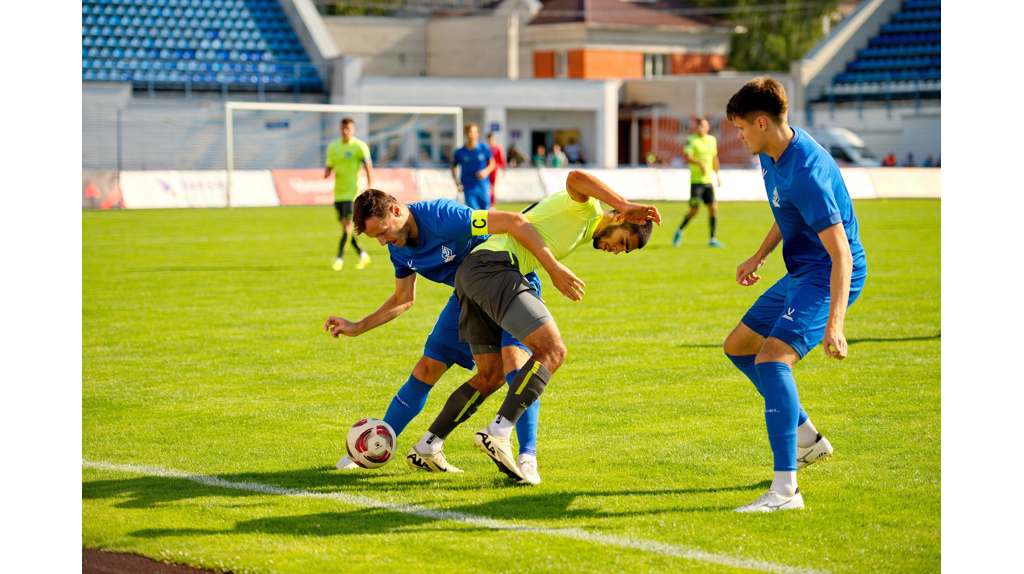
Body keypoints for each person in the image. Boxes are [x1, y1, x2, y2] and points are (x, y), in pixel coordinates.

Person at [406, 170, 661, 483]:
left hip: (473, 275)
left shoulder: (582, 230)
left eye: (624, 250)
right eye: (623, 242)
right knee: (552, 350)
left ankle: (427, 446)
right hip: (494, 268)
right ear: (620, 217)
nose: (618, 251)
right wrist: (622, 201)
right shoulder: (585, 209)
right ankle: (498, 432)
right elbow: (576, 176)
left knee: (491, 375)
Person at [326, 189, 584, 485]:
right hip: (467, 297)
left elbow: (513, 220)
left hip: (507, 282)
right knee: (426, 369)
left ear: (396, 211)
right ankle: (375, 446)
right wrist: (358, 326)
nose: (383, 242)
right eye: (376, 238)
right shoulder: (397, 247)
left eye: (383, 232)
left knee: (515, 366)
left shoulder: (442, 216)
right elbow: (403, 297)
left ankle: (528, 458)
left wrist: (552, 266)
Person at [721, 76, 867, 513]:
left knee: (771, 359)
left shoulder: (807, 172)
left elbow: (841, 254)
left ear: (762, 122)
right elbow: (787, 212)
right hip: (803, 270)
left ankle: (785, 491)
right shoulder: (771, 153)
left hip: (828, 273)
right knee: (739, 346)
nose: (740, 136)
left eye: (742, 128)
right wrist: (760, 255)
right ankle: (806, 438)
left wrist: (835, 325)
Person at [324, 117, 372, 271]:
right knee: (348, 229)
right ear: (340, 129)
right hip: (338, 193)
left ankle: (339, 259)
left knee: (347, 228)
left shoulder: (359, 146)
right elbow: (329, 166)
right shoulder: (333, 147)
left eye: (348, 129)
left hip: (353, 193)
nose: (345, 131)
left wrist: (370, 187)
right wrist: (327, 172)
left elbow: (368, 167)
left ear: (353, 130)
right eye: (343, 128)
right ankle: (363, 255)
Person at [673, 117, 726, 249]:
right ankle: (679, 230)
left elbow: (714, 157)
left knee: (713, 208)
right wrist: (700, 163)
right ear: (695, 128)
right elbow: (688, 157)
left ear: (708, 127)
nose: (701, 128)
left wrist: (717, 175)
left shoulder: (712, 140)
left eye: (703, 126)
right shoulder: (691, 140)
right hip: (696, 181)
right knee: (693, 211)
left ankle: (712, 239)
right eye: (699, 126)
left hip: (708, 180)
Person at [450, 123, 496, 211]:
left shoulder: (484, 148)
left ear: (478, 134)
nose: (471, 135)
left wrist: (485, 172)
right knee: (474, 212)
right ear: (465, 134)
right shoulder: (460, 152)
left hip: (482, 185)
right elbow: (453, 167)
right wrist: (457, 183)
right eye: (469, 132)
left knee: (487, 211)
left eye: (473, 132)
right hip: (468, 186)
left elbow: (492, 164)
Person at [486, 132, 507, 208]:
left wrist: (504, 169)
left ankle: (492, 204)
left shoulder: (497, 148)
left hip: (494, 170)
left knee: (493, 187)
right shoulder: (486, 148)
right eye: (489, 139)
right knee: (486, 187)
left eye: (492, 138)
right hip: (486, 171)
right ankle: (486, 203)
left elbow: (501, 159)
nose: (490, 140)